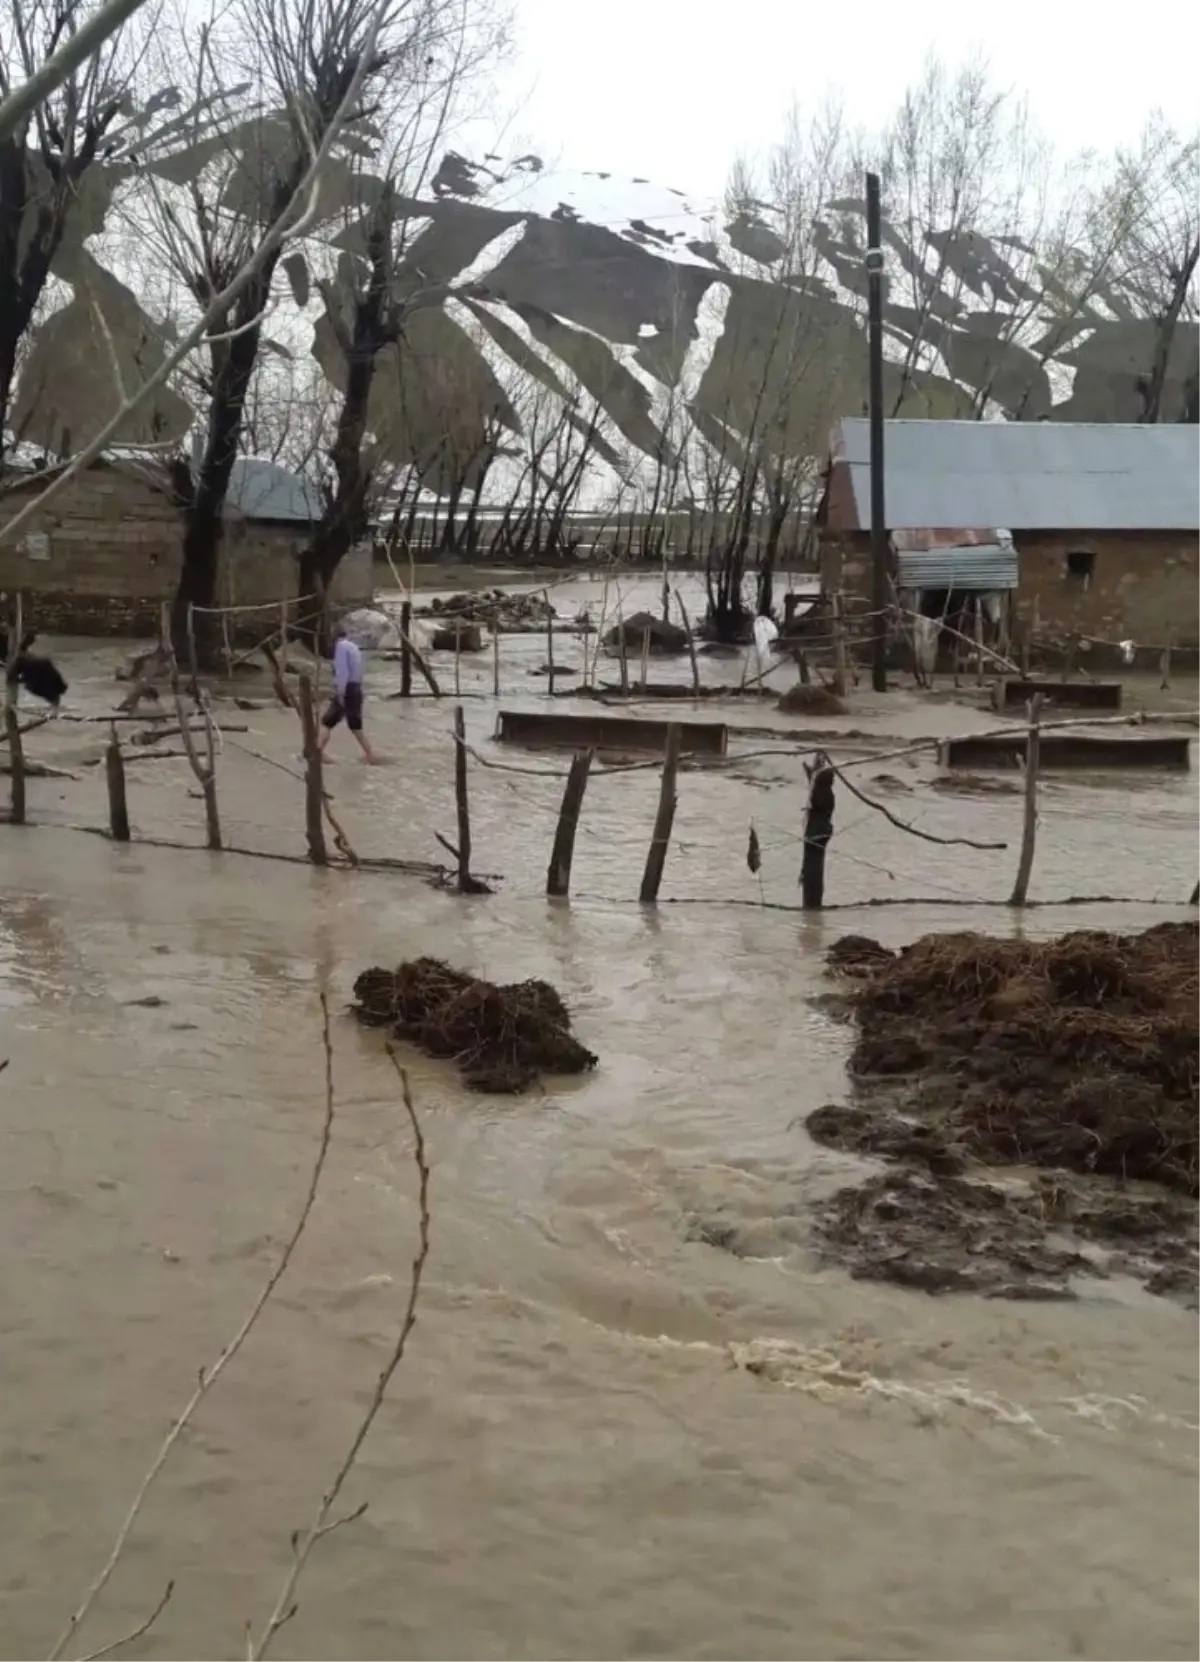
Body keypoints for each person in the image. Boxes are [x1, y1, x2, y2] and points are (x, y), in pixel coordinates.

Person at [319, 622, 377, 762]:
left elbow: (343, 672)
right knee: (355, 724)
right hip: (356, 688)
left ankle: (317, 752)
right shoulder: (353, 647)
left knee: (327, 721)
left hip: (347, 689)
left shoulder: (340, 647)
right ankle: (370, 754)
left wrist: (339, 692)